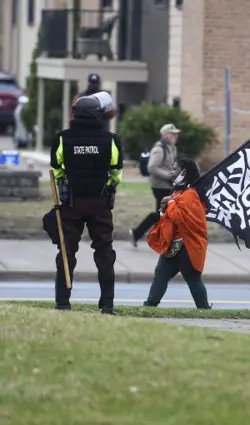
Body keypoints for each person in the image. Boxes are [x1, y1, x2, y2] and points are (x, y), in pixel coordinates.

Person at [49, 95, 123, 314]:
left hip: (72, 203)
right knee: (104, 251)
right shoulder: (111, 140)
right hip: (100, 203)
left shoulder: (62, 138)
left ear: (74, 114)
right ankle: (107, 304)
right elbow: (116, 173)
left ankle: (62, 302)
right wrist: (106, 187)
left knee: (66, 251)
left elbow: (57, 169)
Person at [144, 158, 211, 309]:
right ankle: (149, 305)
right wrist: (170, 202)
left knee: (193, 279)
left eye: (174, 169)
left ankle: (204, 309)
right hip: (173, 245)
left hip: (187, 247)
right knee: (160, 275)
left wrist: (170, 202)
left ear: (184, 172)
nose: (171, 172)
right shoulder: (180, 192)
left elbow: (178, 217)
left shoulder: (191, 195)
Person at [129, 124, 180, 246]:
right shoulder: (159, 149)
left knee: (164, 213)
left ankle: (152, 236)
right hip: (160, 186)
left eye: (176, 134)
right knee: (162, 213)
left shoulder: (170, 148)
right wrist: (169, 176)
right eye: (173, 134)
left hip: (167, 185)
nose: (176, 136)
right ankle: (137, 233)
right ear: (165, 135)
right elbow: (152, 167)